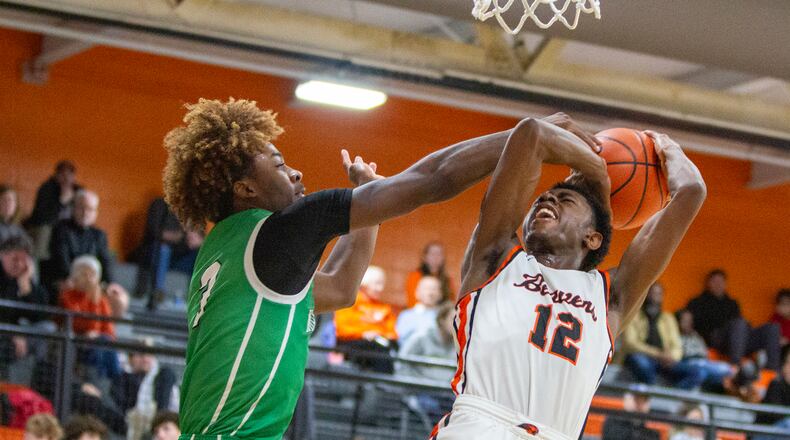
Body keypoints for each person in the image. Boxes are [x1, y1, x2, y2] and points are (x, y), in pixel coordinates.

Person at [166, 98, 533, 439]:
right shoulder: (276, 233)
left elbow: (340, 288)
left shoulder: (226, 247)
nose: (295, 172)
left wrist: (369, 205)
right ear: (245, 189)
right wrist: (527, 136)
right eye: (279, 165)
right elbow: (434, 177)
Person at [431, 116, 706, 440]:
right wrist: (591, 165)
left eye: (565, 200)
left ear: (593, 237)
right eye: (544, 198)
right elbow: (530, 134)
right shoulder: (495, 258)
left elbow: (691, 191)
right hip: (478, 425)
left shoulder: (610, 297)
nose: (548, 199)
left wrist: (667, 148)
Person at [685, 269, 781, 371]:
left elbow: (741, 327)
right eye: (715, 281)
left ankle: (773, 370)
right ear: (708, 284)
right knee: (739, 324)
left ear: (725, 284)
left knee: (772, 328)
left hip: (738, 339)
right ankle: (735, 366)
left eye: (721, 281)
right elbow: (692, 326)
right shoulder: (698, 302)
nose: (718, 284)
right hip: (715, 339)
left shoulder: (732, 303)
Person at [620, 283, 706, 389]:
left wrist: (671, 357)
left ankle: (671, 396)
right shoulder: (634, 315)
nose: (655, 297)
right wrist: (658, 354)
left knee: (698, 372)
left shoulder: (668, 318)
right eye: (652, 293)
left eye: (659, 294)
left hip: (665, 361)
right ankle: (653, 392)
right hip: (642, 356)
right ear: (645, 294)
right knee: (641, 363)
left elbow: (677, 346)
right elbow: (630, 344)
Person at [60, 255, 126, 379]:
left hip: (96, 342)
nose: (88, 279)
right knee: (99, 343)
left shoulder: (101, 299)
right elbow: (76, 323)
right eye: (84, 274)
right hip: (75, 340)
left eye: (92, 275)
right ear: (74, 276)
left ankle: (114, 380)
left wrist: (95, 300)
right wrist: (94, 303)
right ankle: (99, 381)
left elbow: (109, 330)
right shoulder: (68, 296)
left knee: (105, 342)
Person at [131, 197, 203, 309]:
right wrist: (179, 236)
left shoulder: (190, 210)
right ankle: (157, 292)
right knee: (164, 250)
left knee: (200, 254)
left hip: (180, 256)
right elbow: (155, 232)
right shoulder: (160, 205)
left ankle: (198, 296)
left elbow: (198, 238)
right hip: (156, 254)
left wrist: (195, 240)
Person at [45, 190, 113, 295]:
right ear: (73, 208)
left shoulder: (99, 235)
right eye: (82, 207)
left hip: (92, 282)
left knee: (116, 295)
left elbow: (106, 263)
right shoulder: (61, 229)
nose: (85, 213)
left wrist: (110, 284)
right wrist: (80, 281)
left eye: (90, 209)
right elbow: (61, 261)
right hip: (67, 280)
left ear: (96, 213)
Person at [334, 266, 398, 373]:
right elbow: (342, 330)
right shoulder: (350, 303)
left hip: (379, 344)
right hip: (353, 343)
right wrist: (363, 334)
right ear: (365, 283)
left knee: (388, 348)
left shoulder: (384, 308)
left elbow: (392, 333)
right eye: (377, 284)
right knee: (377, 350)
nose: (380, 288)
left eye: (382, 284)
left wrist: (379, 334)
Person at [111, 349, 177, 439]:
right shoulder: (123, 379)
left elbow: (164, 407)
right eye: (141, 355)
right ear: (130, 359)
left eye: (149, 355)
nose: (145, 359)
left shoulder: (164, 374)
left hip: (162, 419)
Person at [25, 160, 81, 260]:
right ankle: (37, 261)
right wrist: (61, 201)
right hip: (47, 225)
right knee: (43, 230)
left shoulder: (78, 190)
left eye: (69, 175)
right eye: (62, 175)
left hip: (68, 228)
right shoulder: (47, 188)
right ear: (56, 175)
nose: (66, 178)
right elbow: (43, 217)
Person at [0, 234, 52, 326]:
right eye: (15, 259)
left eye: (24, 260)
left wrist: (25, 286)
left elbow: (40, 317)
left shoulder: (33, 287)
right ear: (2, 256)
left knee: (47, 327)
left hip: (19, 331)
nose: (19, 264)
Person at [398, 302, 456, 382]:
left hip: (445, 388)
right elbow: (401, 364)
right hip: (417, 386)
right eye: (454, 319)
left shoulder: (461, 345)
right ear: (442, 320)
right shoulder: (421, 337)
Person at [675, 309, 734, 389]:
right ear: (678, 322)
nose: (690, 323)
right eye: (686, 321)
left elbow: (704, 352)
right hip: (687, 362)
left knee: (724, 374)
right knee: (725, 369)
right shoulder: (674, 336)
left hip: (703, 362)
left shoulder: (695, 335)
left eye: (691, 321)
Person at [753, 347, 790, 440]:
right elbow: (777, 414)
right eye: (788, 363)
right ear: (784, 366)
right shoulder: (776, 384)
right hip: (763, 433)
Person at [396, 275, 444, 345]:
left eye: (434, 289)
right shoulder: (406, 316)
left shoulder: (444, 317)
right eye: (426, 288)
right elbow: (400, 341)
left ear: (440, 294)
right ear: (417, 293)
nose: (430, 293)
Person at [405, 242, 455, 306]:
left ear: (443, 258)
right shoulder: (415, 276)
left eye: (439, 254)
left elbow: (451, 303)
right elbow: (413, 302)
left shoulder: (447, 280)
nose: (436, 257)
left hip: (442, 311)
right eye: (432, 253)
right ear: (424, 257)